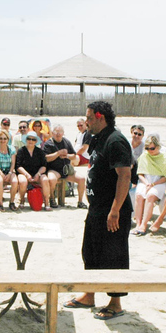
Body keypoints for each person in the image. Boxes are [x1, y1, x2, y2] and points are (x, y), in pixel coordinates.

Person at [63, 101, 132, 320]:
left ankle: (115, 302)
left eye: (90, 118)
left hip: (113, 210)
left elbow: (125, 175)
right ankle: (89, 294)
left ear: (101, 118)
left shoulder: (116, 140)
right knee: (90, 252)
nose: (86, 121)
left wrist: (115, 210)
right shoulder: (96, 138)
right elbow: (90, 161)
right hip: (96, 207)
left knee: (114, 256)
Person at [132, 134, 166, 235]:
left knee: (150, 196)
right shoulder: (144, 156)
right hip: (145, 180)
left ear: (158, 147)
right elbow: (140, 173)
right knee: (138, 195)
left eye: (152, 148)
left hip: (159, 181)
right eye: (147, 148)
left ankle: (144, 224)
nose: (150, 150)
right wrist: (147, 183)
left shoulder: (165, 157)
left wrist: (154, 184)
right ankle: (138, 223)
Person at [43, 124, 87, 209]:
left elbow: (74, 155)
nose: (58, 134)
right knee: (51, 179)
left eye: (60, 132)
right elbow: (46, 159)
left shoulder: (66, 142)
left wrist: (66, 156)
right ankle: (52, 198)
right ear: (52, 133)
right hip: (54, 169)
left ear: (63, 133)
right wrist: (58, 153)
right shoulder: (48, 143)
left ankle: (80, 201)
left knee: (81, 179)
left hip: (66, 169)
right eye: (56, 132)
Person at [15, 131, 52, 210]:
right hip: (24, 173)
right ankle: (22, 200)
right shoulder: (21, 151)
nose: (31, 141)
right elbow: (18, 166)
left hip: (37, 174)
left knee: (45, 179)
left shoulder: (40, 152)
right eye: (29, 139)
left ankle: (46, 202)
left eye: (33, 139)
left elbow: (44, 166)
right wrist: (27, 175)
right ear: (26, 140)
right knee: (22, 181)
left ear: (36, 141)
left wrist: (38, 174)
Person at [0, 129, 19, 210]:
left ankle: (12, 202)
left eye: (4, 138)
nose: (3, 140)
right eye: (0, 138)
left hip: (9, 170)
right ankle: (0, 204)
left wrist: (10, 173)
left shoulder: (11, 149)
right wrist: (1, 173)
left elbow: (13, 163)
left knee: (14, 181)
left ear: (8, 140)